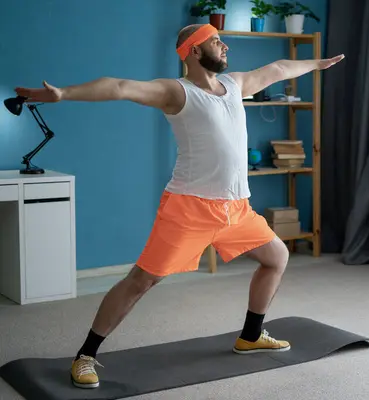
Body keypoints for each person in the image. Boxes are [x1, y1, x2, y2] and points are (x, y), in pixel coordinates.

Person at [13, 23, 344, 389]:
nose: (225, 47)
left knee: (276, 257)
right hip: (190, 208)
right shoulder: (177, 92)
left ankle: (251, 335)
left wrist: (316, 63)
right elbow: (120, 86)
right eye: (216, 41)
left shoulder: (234, 85)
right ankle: (86, 356)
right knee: (142, 281)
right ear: (192, 50)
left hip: (237, 208)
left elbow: (279, 69)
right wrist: (62, 94)